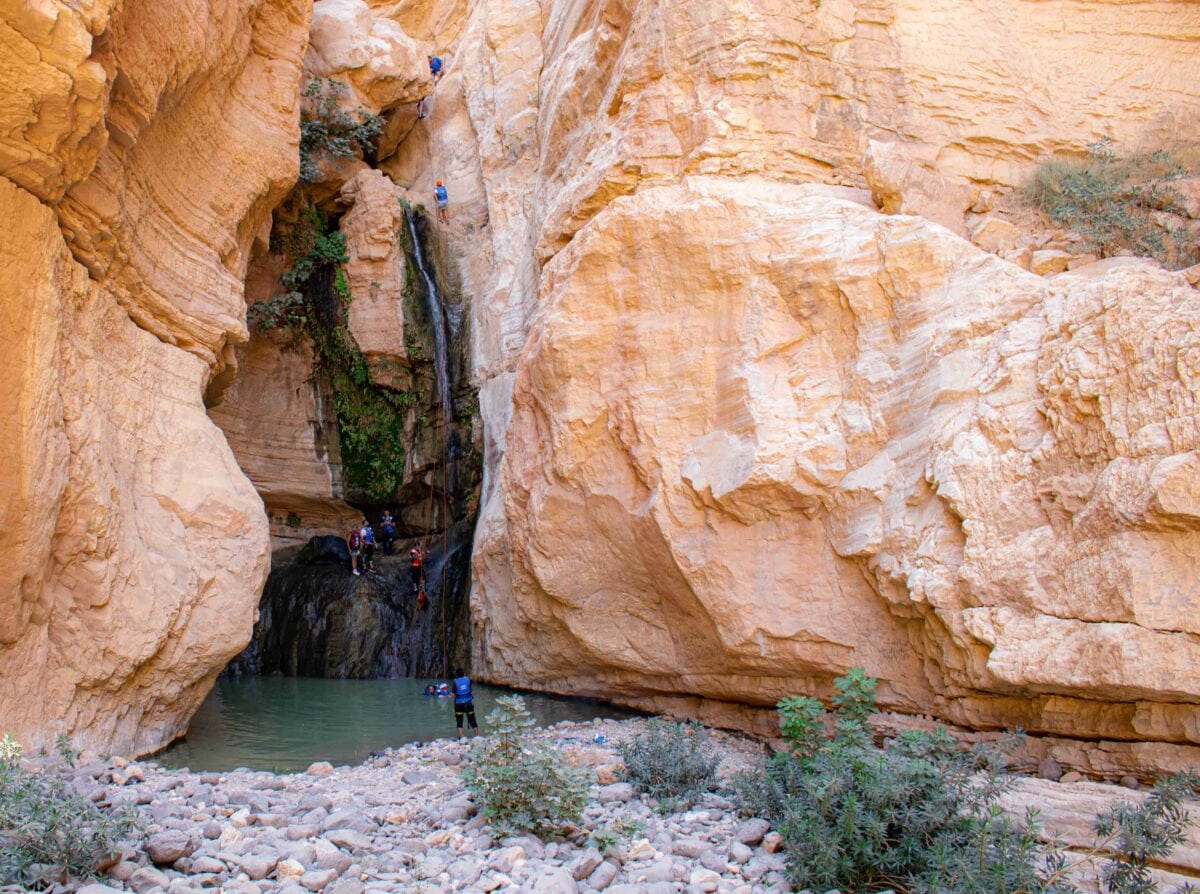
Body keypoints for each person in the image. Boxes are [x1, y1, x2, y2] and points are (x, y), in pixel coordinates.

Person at [452, 668, 478, 737]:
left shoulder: (455, 681)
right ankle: (476, 735)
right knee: (472, 719)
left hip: (459, 704)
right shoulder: (468, 680)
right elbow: (470, 688)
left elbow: (453, 694)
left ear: (457, 675)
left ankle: (461, 736)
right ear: (464, 673)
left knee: (459, 720)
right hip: (468, 703)